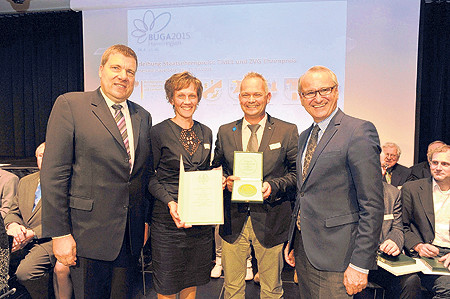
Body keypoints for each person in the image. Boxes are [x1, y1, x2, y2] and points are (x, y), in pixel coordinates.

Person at [41, 44, 152, 298]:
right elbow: (54, 174)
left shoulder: (142, 116)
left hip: (129, 238)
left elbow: (141, 175)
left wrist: (143, 221)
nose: (123, 76)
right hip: (86, 238)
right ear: (101, 70)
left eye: (130, 71)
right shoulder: (71, 105)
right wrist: (60, 234)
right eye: (116, 68)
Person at [285, 65, 384, 298]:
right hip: (305, 252)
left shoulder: (358, 131)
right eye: (309, 93)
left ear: (337, 91)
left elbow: (372, 204)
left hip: (339, 258)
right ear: (301, 98)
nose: (317, 98)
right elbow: (304, 193)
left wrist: (360, 264)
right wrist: (293, 241)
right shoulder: (304, 137)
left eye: (325, 90)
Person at [212, 72, 298, 298]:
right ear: (239, 98)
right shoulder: (224, 131)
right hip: (234, 221)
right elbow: (216, 168)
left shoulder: (287, 130)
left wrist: (274, 186)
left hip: (272, 219)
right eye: (246, 94)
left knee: (271, 289)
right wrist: (223, 181)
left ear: (268, 96)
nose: (251, 100)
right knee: (232, 289)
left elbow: (297, 175)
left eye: (257, 94)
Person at [148, 72, 213, 299]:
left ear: (198, 98)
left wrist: (218, 181)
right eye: (181, 95)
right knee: (167, 283)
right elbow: (150, 177)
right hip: (168, 221)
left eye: (192, 95)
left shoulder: (206, 132)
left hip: (199, 221)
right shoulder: (158, 132)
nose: (187, 101)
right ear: (171, 99)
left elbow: (204, 172)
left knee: (191, 279)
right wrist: (170, 202)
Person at [5, 143, 72, 299]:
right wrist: (13, 226)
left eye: (48, 155)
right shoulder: (26, 181)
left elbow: (69, 218)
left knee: (25, 273)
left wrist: (33, 233)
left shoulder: (68, 183)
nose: (44, 158)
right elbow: (13, 211)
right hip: (22, 237)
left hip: (52, 239)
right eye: (40, 155)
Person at [400, 144, 450, 298]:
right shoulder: (412, 189)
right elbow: (401, 226)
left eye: (445, 164)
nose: (438, 168)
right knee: (447, 287)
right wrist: (418, 245)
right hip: (426, 256)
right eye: (434, 163)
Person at [355, 181, 404, 299]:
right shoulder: (346, 190)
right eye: (378, 166)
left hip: (382, 260)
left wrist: (394, 241)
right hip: (354, 259)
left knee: (410, 281)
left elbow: (397, 228)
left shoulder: (393, 193)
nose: (382, 171)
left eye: (384, 167)